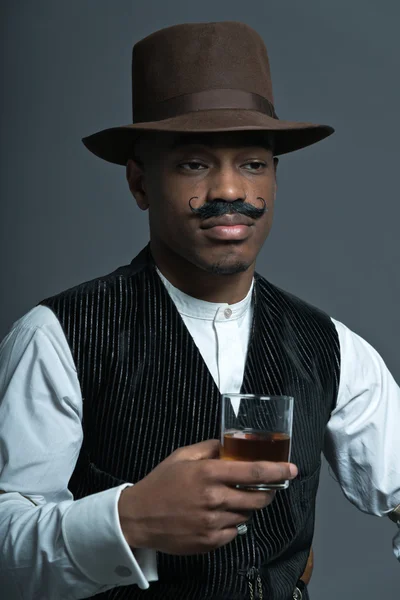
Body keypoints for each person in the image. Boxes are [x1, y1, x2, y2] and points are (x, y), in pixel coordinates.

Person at [0, 20, 399, 600]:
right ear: (139, 182)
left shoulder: (332, 346)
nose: (231, 190)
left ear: (275, 181)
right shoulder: (57, 337)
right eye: (194, 163)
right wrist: (128, 519)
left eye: (253, 164)